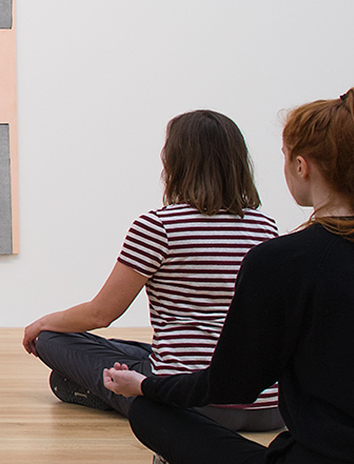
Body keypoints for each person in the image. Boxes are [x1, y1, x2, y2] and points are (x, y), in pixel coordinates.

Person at [102, 86, 354, 464]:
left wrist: (147, 386)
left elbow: (232, 385)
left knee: (150, 412)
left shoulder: (283, 260)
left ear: (302, 166)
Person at [22, 110, 281, 431]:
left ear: (175, 161)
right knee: (126, 348)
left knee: (53, 339)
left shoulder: (159, 227)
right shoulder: (264, 228)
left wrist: (42, 323)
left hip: (191, 404)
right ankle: (105, 386)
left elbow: (100, 315)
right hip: (269, 407)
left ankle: (107, 392)